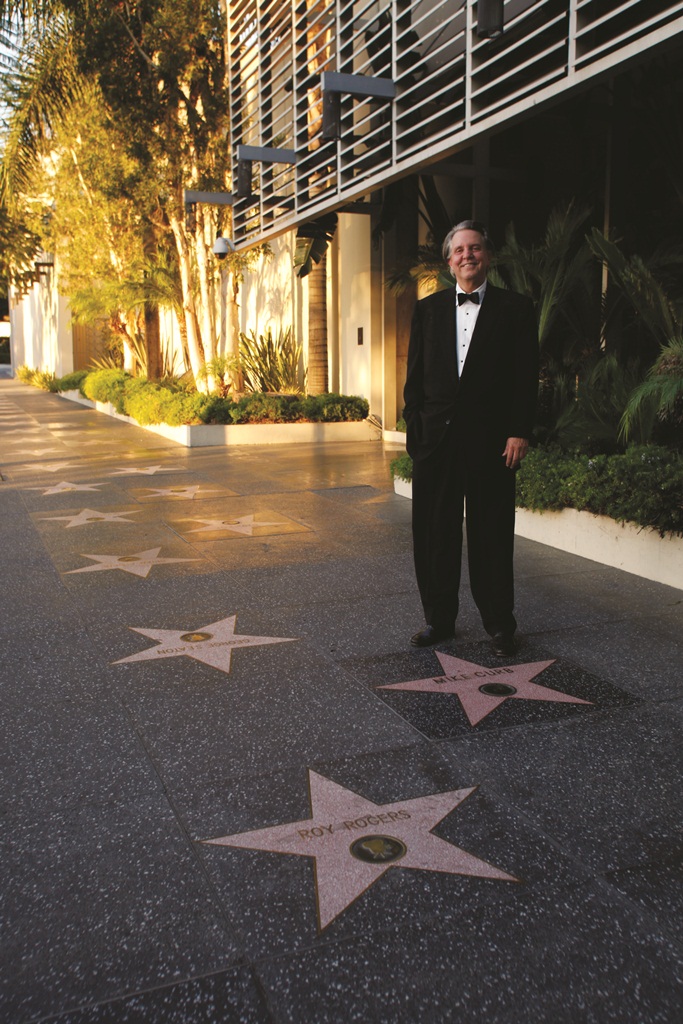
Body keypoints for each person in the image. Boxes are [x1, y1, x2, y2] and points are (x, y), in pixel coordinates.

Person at [403, 220, 539, 656]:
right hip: (436, 445)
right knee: (435, 535)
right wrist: (416, 433)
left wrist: (520, 429)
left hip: (492, 443)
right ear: (449, 261)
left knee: (492, 534)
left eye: (475, 248)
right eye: (459, 250)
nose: (467, 255)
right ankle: (438, 621)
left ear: (488, 256)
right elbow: (414, 379)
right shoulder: (427, 310)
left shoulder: (516, 309)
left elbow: (524, 376)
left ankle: (500, 625)